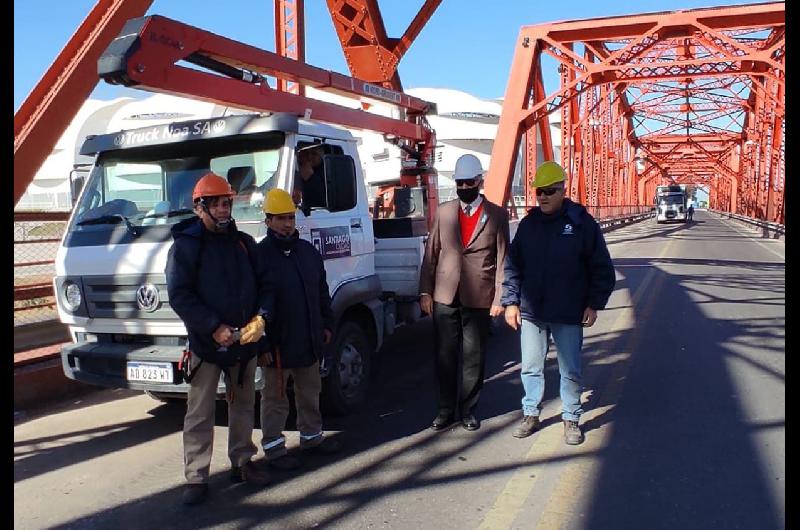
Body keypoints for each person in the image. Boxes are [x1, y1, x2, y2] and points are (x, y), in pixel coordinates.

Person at [166, 172, 273, 505]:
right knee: (199, 412)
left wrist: (262, 318)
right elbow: (179, 294)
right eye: (217, 204)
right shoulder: (186, 246)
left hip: (243, 342)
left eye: (227, 203)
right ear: (201, 208)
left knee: (242, 405)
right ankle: (196, 477)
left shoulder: (243, 244)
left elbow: (267, 285)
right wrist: (213, 327)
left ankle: (242, 462)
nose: (225, 210)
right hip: (207, 345)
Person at [501, 161, 615, 445]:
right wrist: (510, 302)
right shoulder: (528, 226)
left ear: (563, 189)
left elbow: (601, 267)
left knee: (570, 369)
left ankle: (571, 417)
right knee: (530, 365)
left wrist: (594, 303)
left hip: (568, 310)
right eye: (539, 191)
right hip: (532, 311)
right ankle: (530, 413)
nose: (543, 197)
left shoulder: (581, 223)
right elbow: (513, 266)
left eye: (550, 191)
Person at [419, 154, 510, 432]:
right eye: (460, 183)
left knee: (474, 357)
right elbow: (431, 253)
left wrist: (499, 299)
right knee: (445, 356)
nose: (464, 187)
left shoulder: (496, 215)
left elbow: (503, 258)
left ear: (479, 182)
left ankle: (468, 410)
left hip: (479, 298)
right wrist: (425, 291)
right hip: (445, 295)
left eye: (469, 182)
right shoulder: (445, 213)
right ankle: (445, 410)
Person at [257, 188, 341, 470]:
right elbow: (252, 305)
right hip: (278, 348)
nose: (286, 224)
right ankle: (274, 448)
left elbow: (321, 293)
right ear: (268, 221)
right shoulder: (260, 256)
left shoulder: (307, 252)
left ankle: (311, 438)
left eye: (290, 217)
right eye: (280, 218)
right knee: (275, 401)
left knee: (310, 393)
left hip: (308, 341)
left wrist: (327, 325)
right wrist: (262, 346)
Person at [293, 145, 327, 209]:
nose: (309, 157)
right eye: (306, 153)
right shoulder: (293, 169)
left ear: (321, 156)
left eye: (314, 154)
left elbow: (325, 199)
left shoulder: (328, 171)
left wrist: (311, 178)